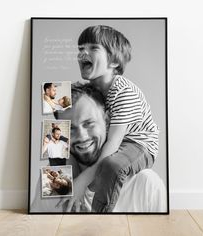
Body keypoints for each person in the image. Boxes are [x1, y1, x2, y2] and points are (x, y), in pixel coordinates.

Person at [73, 25, 159, 212]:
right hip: (117, 142)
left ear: (113, 61)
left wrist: (84, 183)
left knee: (112, 165)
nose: (82, 53)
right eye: (80, 48)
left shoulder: (123, 91)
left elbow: (113, 144)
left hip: (139, 144)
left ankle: (100, 214)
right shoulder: (92, 90)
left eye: (93, 48)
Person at [52, 83, 166, 213]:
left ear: (107, 121)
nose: (82, 136)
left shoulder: (147, 185)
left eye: (89, 123)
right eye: (71, 128)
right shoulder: (52, 183)